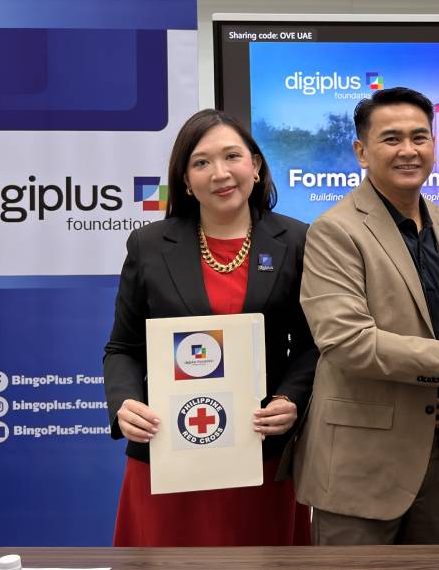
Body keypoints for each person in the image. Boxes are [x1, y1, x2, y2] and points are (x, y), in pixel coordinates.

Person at [293, 87, 439, 545]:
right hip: (359, 466)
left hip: (434, 454)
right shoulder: (335, 230)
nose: (409, 150)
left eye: (419, 137)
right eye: (391, 139)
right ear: (361, 152)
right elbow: (348, 343)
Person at [102, 109, 318, 546]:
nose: (219, 173)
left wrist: (290, 399)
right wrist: (124, 402)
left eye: (232, 156)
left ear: (255, 166)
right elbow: (123, 346)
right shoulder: (148, 245)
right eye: (201, 162)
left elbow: (313, 345)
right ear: (184, 180)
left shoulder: (297, 240)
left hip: (260, 452)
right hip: (167, 455)